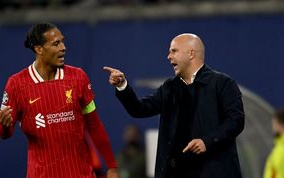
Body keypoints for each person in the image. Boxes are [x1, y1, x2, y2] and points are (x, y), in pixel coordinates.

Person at [103, 33, 245, 178]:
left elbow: (236, 121)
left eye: (174, 51)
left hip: (215, 171)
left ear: (191, 54)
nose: (168, 56)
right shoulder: (169, 88)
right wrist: (122, 86)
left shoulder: (222, 83)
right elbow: (139, 109)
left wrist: (207, 142)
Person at [0, 22, 120, 178]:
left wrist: (112, 166)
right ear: (39, 49)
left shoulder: (78, 77)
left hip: (80, 174)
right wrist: (4, 125)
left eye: (62, 41)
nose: (63, 47)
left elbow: (93, 124)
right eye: (56, 44)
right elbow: (4, 134)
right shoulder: (17, 84)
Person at [263, 108, 284, 178]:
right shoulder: (278, 147)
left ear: (280, 124)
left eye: (275, 123)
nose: (273, 127)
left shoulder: (281, 150)